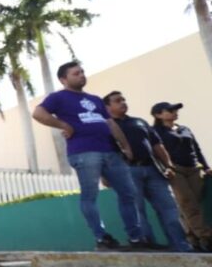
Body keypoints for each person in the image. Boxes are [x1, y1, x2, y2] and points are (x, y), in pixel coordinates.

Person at [32, 61, 143, 250]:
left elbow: (110, 123)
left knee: (128, 193)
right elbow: (38, 113)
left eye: (82, 72)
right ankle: (101, 237)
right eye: (76, 73)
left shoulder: (96, 99)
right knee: (90, 195)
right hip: (84, 152)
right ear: (63, 79)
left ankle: (137, 238)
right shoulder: (58, 97)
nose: (82, 75)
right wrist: (63, 125)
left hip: (111, 152)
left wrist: (125, 146)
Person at [103, 92, 193, 252]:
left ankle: (181, 246)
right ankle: (149, 247)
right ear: (107, 107)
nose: (123, 102)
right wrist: (104, 176)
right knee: (137, 211)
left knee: (169, 208)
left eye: (124, 99)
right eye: (117, 101)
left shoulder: (139, 122)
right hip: (126, 172)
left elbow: (157, 145)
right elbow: (102, 153)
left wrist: (168, 166)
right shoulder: (105, 126)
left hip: (153, 170)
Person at [151, 102, 212, 251]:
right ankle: (206, 237)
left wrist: (206, 167)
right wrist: (165, 168)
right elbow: (155, 152)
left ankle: (192, 237)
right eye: (170, 110)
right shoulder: (155, 132)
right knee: (187, 202)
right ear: (158, 115)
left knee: (197, 203)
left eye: (175, 110)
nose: (174, 112)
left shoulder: (185, 129)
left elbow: (196, 149)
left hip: (193, 169)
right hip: (175, 170)